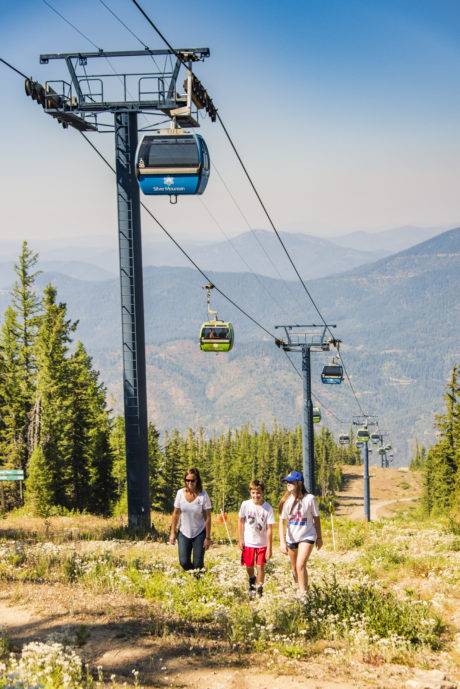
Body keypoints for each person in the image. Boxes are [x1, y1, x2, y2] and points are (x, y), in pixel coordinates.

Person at [278, 470, 323, 594]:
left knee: (300, 565)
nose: (288, 484)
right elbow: (281, 522)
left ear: (299, 483)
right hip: (291, 538)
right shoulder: (285, 501)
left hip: (307, 535)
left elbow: (316, 518)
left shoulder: (310, 499)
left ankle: (304, 596)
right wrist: (282, 542)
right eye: (286, 482)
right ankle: (302, 588)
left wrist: (319, 538)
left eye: (291, 481)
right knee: (294, 568)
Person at [168, 467, 212, 571]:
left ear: (197, 480)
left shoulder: (203, 495)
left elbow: (208, 517)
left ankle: (198, 581)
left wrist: (208, 537)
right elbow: (176, 514)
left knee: (198, 563)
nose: (190, 483)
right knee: (183, 562)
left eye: (192, 480)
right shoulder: (180, 493)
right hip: (184, 532)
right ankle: (195, 574)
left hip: (199, 533)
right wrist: (173, 533)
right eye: (187, 480)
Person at [238, 479, 275, 598]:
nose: (256, 495)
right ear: (250, 493)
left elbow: (269, 529)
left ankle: (259, 589)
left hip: (262, 543)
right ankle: (252, 579)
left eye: (258, 493)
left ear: (262, 493)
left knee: (260, 567)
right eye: (253, 493)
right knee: (249, 566)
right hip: (248, 542)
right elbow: (241, 521)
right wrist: (240, 539)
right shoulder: (245, 504)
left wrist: (269, 547)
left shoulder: (268, 508)